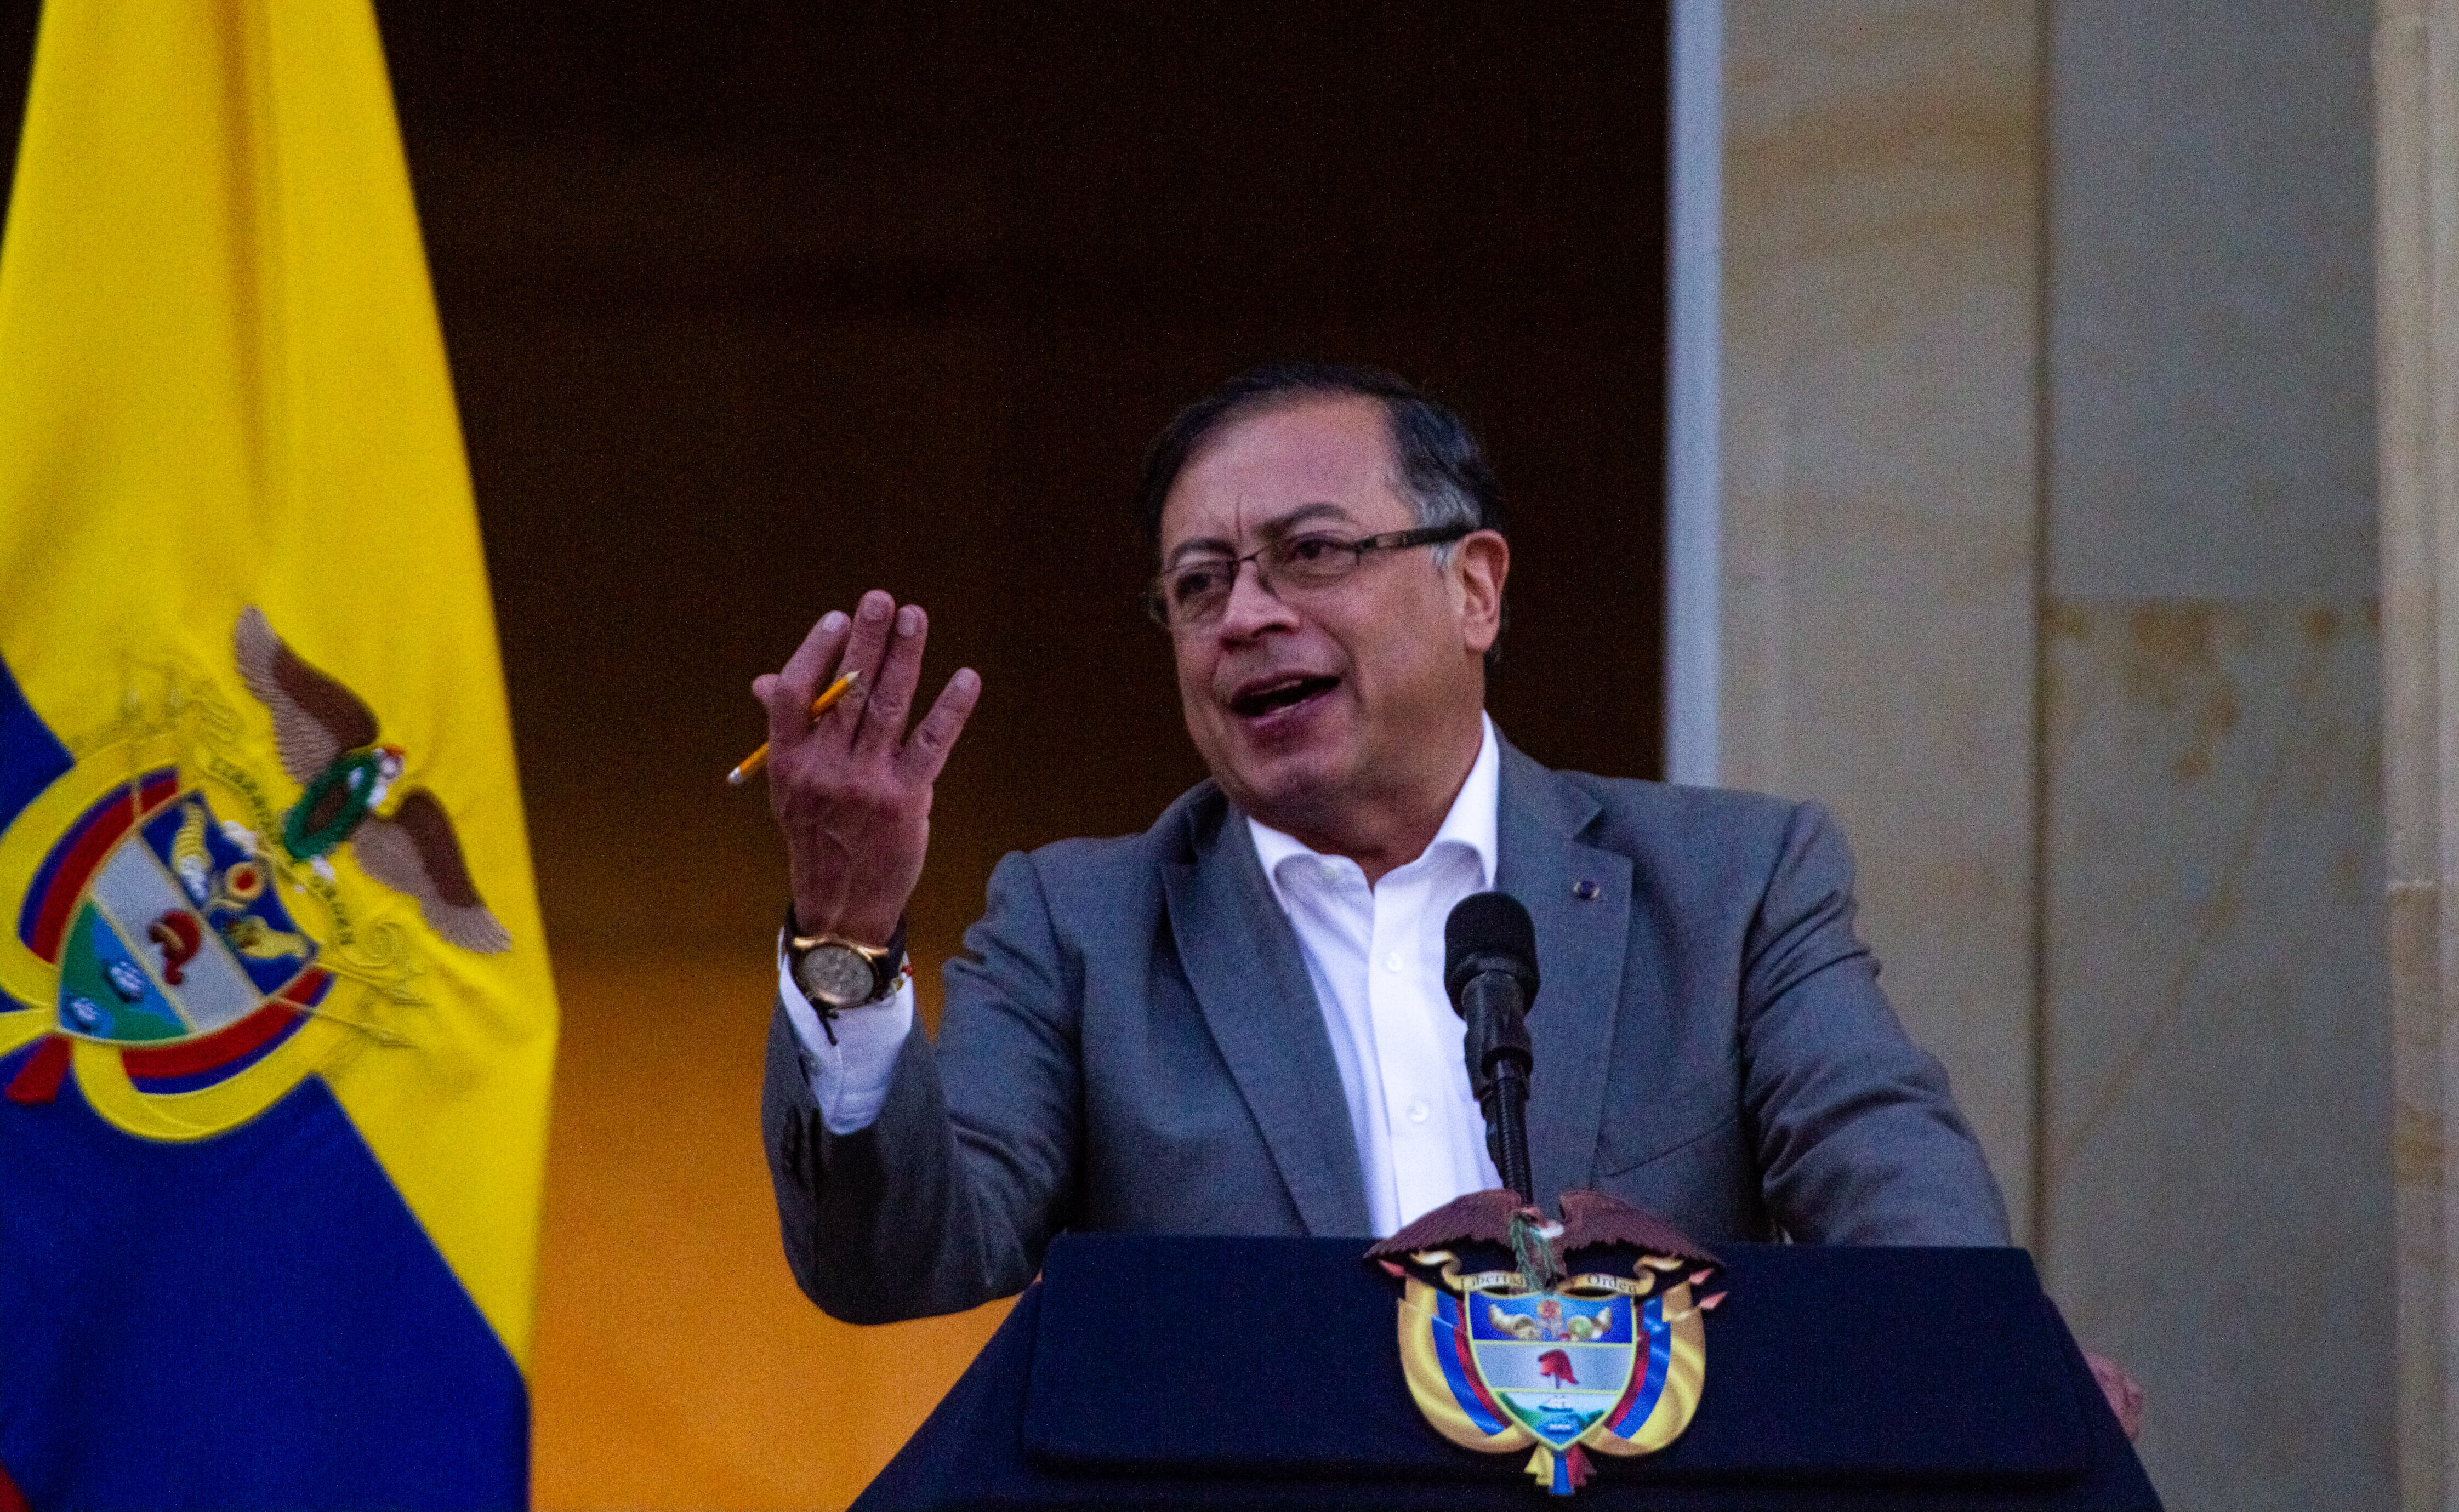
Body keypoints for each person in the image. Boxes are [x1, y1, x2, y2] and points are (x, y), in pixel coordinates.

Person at [755, 362, 2012, 1324]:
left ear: (1475, 587)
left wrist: (1987, 1360)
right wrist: (847, 932)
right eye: (1198, 583)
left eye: (1310, 553)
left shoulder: (1733, 884)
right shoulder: (1077, 926)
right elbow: (897, 1258)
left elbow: (1893, 1186)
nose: (1245, 613)